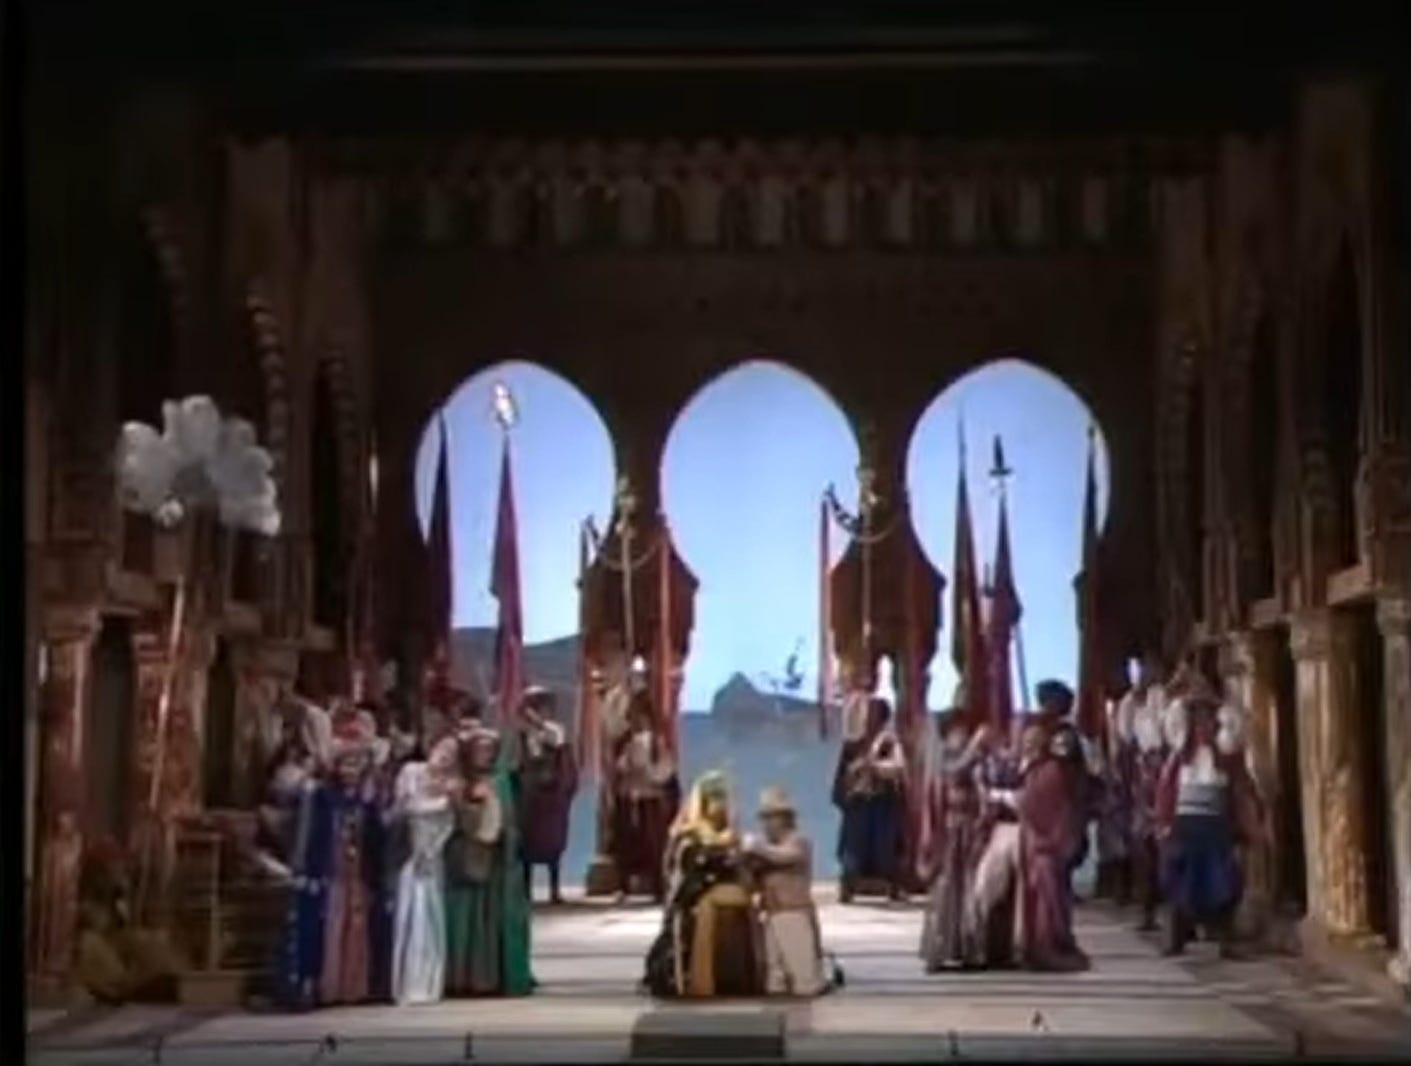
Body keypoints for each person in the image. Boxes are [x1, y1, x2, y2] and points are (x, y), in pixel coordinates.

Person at [275, 710, 386, 1010]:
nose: (351, 769)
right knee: (326, 926)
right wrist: (302, 867)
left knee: (355, 927)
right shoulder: (321, 795)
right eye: (346, 763)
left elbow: (375, 838)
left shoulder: (366, 801)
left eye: (357, 763)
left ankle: (352, 987)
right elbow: (306, 831)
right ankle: (322, 986)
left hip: (356, 874)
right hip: (327, 871)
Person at [1155, 695, 1264, 959]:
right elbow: (1166, 792)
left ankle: (1227, 940)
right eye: (1197, 721)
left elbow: (1240, 791)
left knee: (1225, 883)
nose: (1203, 727)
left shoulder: (1226, 756)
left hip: (1216, 828)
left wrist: (1246, 825)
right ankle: (1176, 938)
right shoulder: (1180, 757)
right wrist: (1165, 824)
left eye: (1208, 720)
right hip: (1186, 827)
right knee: (1181, 885)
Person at [642, 770, 762, 998]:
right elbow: (685, 871)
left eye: (722, 798)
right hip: (693, 897)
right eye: (714, 798)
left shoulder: (731, 835)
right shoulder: (688, 835)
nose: (720, 805)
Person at [444, 725, 534, 997]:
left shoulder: (501, 781)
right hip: (465, 860)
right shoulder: (457, 782)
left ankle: (494, 977)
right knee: (466, 920)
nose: (484, 755)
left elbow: (510, 819)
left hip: (497, 863)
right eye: (479, 749)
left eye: (489, 750)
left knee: (496, 920)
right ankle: (464, 978)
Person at [389, 736, 459, 1005]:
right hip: (407, 856)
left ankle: (427, 983)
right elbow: (402, 807)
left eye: (451, 755)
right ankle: (404, 983)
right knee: (407, 918)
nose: (444, 757)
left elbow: (447, 826)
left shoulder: (450, 787)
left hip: (430, 859)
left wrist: (429, 851)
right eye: (442, 750)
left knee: (428, 918)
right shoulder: (411, 772)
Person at [918, 710, 989, 972]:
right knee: (946, 889)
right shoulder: (945, 757)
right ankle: (939, 950)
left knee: (970, 888)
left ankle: (969, 949)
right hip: (949, 832)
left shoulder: (972, 757)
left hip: (969, 831)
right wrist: (974, 746)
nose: (964, 736)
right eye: (959, 731)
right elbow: (954, 773)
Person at [1015, 724, 1090, 972]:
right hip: (1036, 845)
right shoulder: (1037, 770)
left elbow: (1041, 806)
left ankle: (1048, 947)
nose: (1026, 746)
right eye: (1025, 741)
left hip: (1046, 845)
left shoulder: (1050, 771)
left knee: (1049, 901)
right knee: (1043, 898)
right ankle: (1039, 946)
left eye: (1031, 742)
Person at [743, 786, 829, 997]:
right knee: (775, 981)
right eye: (765, 818)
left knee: (804, 981)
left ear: (784, 818)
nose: (767, 824)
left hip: (794, 914)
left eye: (771, 818)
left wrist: (757, 848)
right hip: (772, 914)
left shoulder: (798, 841)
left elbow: (785, 856)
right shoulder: (765, 850)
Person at [964, 724, 1038, 968]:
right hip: (995, 833)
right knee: (987, 891)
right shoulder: (988, 766)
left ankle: (1009, 949)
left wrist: (996, 796)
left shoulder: (1029, 767)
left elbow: (1025, 799)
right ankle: (985, 947)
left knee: (1010, 894)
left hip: (1015, 832)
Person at [833, 697, 908, 902]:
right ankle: (848, 885)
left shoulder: (889, 742)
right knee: (853, 849)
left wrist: (874, 764)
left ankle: (892, 886)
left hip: (882, 804)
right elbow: (844, 774)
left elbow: (898, 767)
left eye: (875, 714)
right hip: (858, 804)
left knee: (885, 848)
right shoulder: (853, 744)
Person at [1118, 653, 1171, 930]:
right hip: (1143, 778)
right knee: (1143, 847)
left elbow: (1169, 734)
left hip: (1162, 772)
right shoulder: (1130, 702)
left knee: (1166, 846)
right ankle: (1147, 909)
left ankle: (1174, 914)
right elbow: (1125, 737)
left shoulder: (1163, 697)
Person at [611, 692, 680, 902]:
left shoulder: (656, 742)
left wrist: (649, 773)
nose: (634, 719)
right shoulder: (626, 741)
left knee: (654, 843)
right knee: (626, 842)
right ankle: (623, 885)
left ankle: (658, 887)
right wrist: (625, 765)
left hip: (650, 799)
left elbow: (666, 769)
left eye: (638, 714)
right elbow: (619, 768)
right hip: (629, 797)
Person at [516, 686, 578, 904]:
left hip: (551, 793)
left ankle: (554, 888)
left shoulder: (555, 730)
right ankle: (525, 889)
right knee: (527, 842)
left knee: (552, 842)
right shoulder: (523, 734)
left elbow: (559, 751)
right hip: (530, 792)